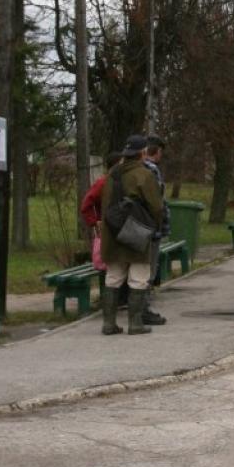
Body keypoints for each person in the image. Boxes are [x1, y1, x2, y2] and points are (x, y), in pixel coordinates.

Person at [100, 134, 164, 335]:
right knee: (139, 277)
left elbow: (105, 203)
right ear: (143, 152)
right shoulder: (144, 175)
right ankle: (135, 324)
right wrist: (155, 227)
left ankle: (109, 324)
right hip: (136, 232)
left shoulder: (112, 174)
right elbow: (156, 206)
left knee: (113, 277)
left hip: (113, 231)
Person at [80, 152, 125, 305]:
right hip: (109, 231)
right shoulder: (103, 183)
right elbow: (86, 204)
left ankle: (119, 300)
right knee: (112, 267)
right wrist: (95, 222)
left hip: (120, 230)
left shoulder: (122, 182)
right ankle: (112, 302)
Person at [142, 134, 169, 325]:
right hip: (151, 227)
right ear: (156, 151)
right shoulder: (152, 170)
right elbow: (157, 201)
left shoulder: (127, 169)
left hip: (133, 228)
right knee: (147, 270)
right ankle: (143, 310)